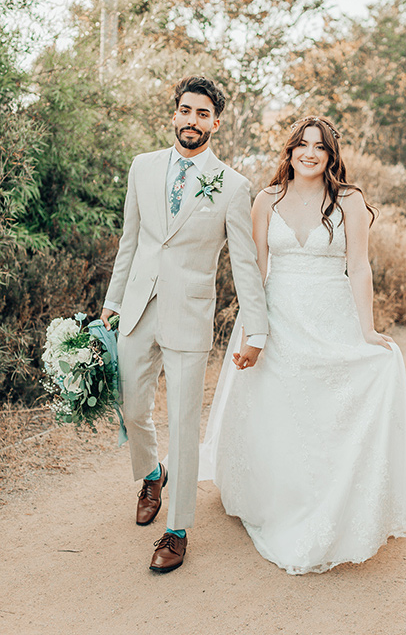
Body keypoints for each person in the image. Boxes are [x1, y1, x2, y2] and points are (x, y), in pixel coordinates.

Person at [201, 115, 406, 575]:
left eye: (319, 146)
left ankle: (336, 498)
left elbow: (359, 268)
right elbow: (255, 273)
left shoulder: (349, 201)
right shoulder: (266, 200)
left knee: (366, 374)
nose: (310, 153)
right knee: (279, 407)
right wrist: (251, 332)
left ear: (330, 154)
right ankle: (281, 495)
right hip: (280, 318)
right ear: (290, 150)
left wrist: (368, 330)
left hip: (332, 314)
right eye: (302, 144)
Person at [101, 76, 268, 573]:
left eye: (202, 114)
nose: (192, 120)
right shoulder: (142, 167)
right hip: (136, 306)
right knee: (131, 404)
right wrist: (111, 303)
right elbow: (130, 240)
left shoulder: (234, 187)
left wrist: (254, 329)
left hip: (190, 314)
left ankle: (177, 530)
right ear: (174, 114)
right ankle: (153, 472)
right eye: (185, 110)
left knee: (183, 421)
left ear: (215, 123)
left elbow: (244, 265)